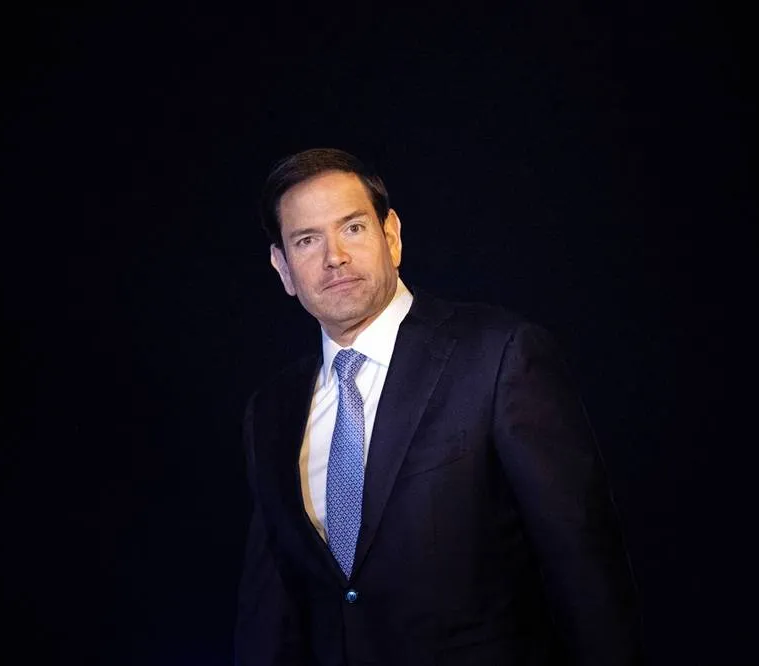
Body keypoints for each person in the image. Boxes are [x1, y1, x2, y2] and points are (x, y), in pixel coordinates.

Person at [234, 148, 643, 665]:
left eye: (353, 228)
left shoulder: (498, 356)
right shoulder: (271, 412)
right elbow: (270, 613)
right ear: (283, 268)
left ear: (391, 236)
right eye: (307, 240)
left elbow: (583, 566)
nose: (334, 256)